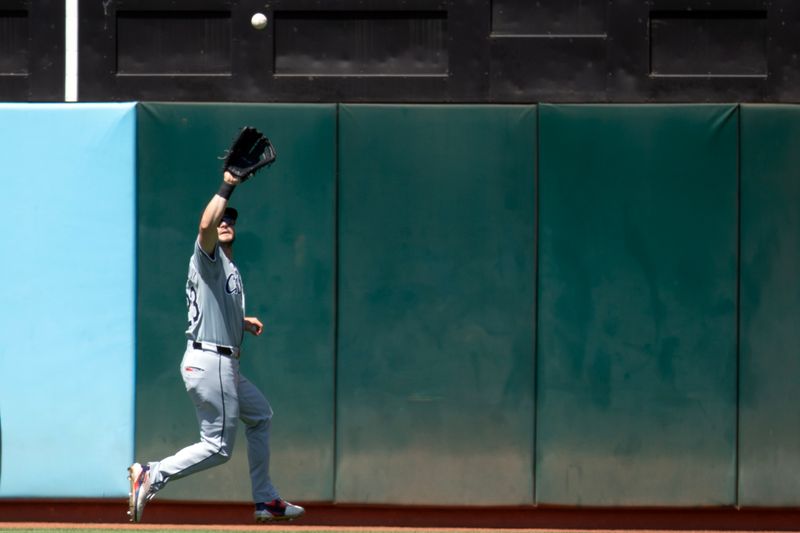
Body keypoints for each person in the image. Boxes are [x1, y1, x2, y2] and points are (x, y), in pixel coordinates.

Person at [127, 170, 304, 523]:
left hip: (219, 360)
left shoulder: (227, 267)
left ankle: (266, 499)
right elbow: (206, 226)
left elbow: (211, 307)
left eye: (231, 219)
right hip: (212, 361)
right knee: (217, 447)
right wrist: (229, 185)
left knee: (260, 416)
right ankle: (152, 473)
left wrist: (241, 322)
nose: (225, 223)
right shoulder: (207, 257)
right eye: (221, 218)